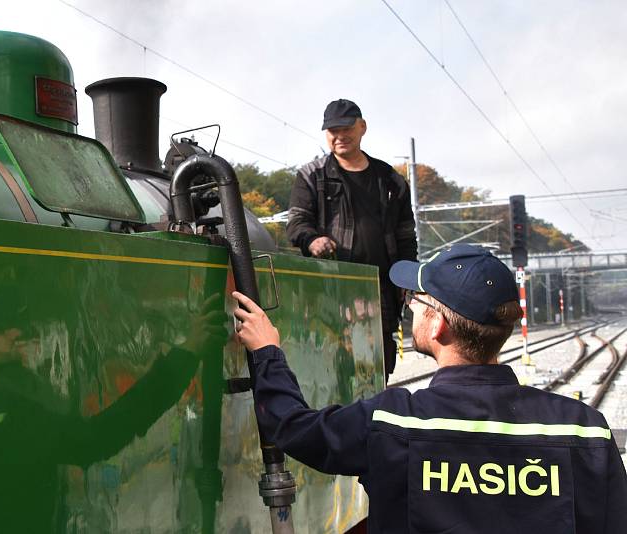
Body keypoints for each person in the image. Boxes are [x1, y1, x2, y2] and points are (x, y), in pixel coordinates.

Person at [232, 244, 627, 533]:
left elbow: (293, 428)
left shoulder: (392, 421)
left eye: (416, 301)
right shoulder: (585, 430)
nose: (410, 309)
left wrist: (267, 350)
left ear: (438, 326)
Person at [286, 98, 417, 381]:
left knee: (376, 368)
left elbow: (406, 237)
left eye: (346, 128)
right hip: (330, 291)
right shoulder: (312, 176)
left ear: (362, 127)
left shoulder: (391, 181)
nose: (340, 136)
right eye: (332, 130)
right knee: (333, 365)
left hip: (379, 290)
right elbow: (296, 222)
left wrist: (408, 281)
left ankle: (373, 419)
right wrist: (312, 241)